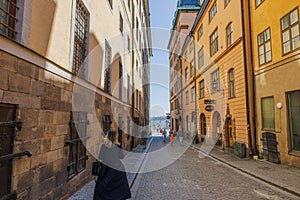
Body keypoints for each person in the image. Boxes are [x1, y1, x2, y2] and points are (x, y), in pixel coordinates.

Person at [93, 130, 131, 200]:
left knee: (103, 185)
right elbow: (122, 156)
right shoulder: (118, 145)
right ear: (115, 137)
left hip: (107, 169)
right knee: (118, 186)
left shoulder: (104, 146)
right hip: (118, 168)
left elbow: (100, 156)